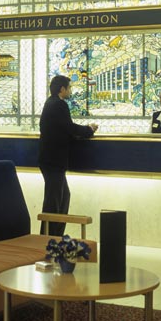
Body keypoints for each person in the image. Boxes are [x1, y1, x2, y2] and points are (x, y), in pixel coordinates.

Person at [38, 75, 98, 236]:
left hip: (50, 159)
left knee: (62, 197)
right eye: (69, 87)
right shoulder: (59, 104)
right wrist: (89, 130)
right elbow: (69, 127)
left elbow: (62, 128)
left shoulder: (51, 103)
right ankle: (48, 238)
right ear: (62, 89)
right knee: (54, 200)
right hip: (53, 160)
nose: (70, 90)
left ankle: (54, 236)